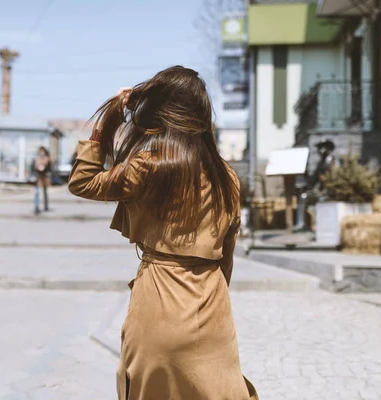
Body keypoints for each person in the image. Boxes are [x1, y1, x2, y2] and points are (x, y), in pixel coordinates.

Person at [68, 66, 259, 400]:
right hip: (210, 300)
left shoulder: (149, 165)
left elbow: (83, 181)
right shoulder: (226, 176)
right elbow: (227, 254)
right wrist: (211, 298)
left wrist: (108, 123)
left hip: (157, 297)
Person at [31, 146, 51, 214]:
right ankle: (36, 206)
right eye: (40, 152)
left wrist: (45, 168)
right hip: (37, 177)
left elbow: (50, 168)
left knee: (45, 192)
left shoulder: (47, 159)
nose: (41, 153)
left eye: (42, 152)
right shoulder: (36, 159)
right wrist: (37, 168)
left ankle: (45, 205)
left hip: (44, 177)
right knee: (37, 192)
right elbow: (32, 167)